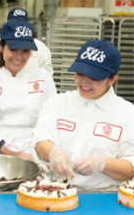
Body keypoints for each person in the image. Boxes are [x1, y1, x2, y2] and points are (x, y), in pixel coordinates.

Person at [35, 39, 134, 190]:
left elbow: (130, 168)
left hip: (102, 197)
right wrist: (55, 153)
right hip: (54, 190)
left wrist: (102, 163)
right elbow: (41, 143)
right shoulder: (58, 103)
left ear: (112, 79)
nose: (84, 82)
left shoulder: (127, 113)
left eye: (95, 77)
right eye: (80, 73)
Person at [0, 20, 57, 160]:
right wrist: (13, 153)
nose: (18, 57)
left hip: (35, 153)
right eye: (13, 49)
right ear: (1, 47)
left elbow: (52, 119)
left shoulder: (43, 79)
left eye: (25, 51)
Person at [0, 8, 53, 75]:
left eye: (25, 50)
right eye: (13, 49)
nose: (18, 26)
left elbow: (47, 76)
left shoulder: (41, 47)